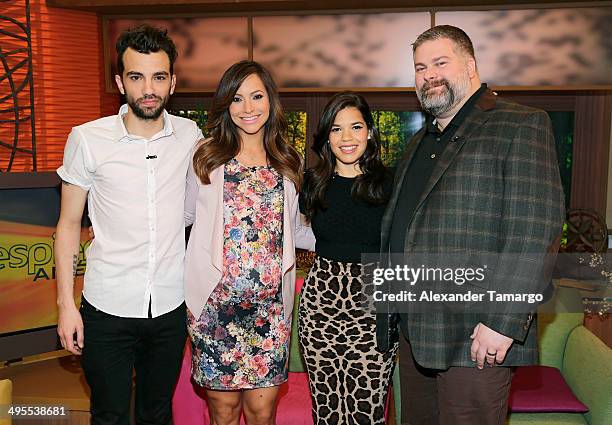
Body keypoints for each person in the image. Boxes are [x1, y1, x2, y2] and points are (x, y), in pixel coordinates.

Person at [375, 25, 565, 425]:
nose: (429, 74)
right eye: (420, 67)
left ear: (471, 64)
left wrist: (503, 321)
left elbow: (535, 229)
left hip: (476, 336)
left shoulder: (519, 124)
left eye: (440, 62)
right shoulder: (418, 144)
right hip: (415, 333)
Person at [55, 25, 202, 425]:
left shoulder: (190, 135)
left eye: (158, 77)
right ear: (121, 82)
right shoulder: (87, 139)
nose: (148, 88)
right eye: (136, 77)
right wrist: (66, 306)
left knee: (157, 413)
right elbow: (68, 225)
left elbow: (202, 206)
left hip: (170, 307)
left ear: (172, 82)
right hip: (107, 307)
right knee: (110, 414)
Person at [184, 60, 315, 425]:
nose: (248, 108)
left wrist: (352, 238)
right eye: (237, 98)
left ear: (270, 101)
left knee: (262, 411)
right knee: (223, 411)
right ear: (226, 105)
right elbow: (182, 218)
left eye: (256, 96)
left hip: (270, 313)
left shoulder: (288, 160)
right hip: (214, 310)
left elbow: (299, 229)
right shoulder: (207, 158)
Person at [298, 92, 398, 425]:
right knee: (325, 409)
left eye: (356, 127)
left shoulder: (390, 184)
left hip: (372, 308)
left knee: (367, 411)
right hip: (320, 307)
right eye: (337, 129)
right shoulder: (313, 182)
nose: (347, 138)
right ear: (327, 136)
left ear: (370, 131)